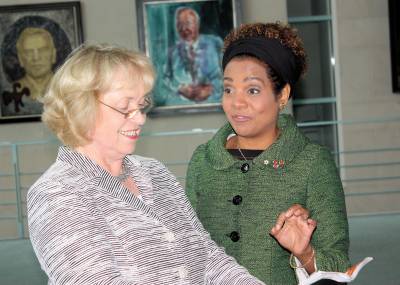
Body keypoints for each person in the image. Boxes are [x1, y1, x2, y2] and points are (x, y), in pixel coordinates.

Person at [27, 44, 317, 285]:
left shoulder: (154, 173)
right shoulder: (57, 194)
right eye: (125, 107)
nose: (139, 118)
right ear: (82, 107)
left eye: (141, 105)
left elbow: (206, 257)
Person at [186, 22, 351, 284]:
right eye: (228, 89)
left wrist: (304, 252)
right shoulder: (203, 161)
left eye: (252, 90)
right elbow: (187, 251)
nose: (236, 102)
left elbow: (339, 265)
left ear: (282, 95)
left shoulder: (312, 162)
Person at [160, 7, 223, 106]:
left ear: (197, 24)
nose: (183, 29)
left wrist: (211, 89)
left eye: (188, 23)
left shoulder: (215, 43)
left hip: (214, 102)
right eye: (179, 25)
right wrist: (180, 88)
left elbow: (231, 74)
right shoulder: (172, 52)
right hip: (182, 105)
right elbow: (165, 79)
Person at [15, 27, 57, 101]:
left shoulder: (65, 87)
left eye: (42, 50)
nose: (36, 58)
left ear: (53, 55)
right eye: (29, 52)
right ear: (20, 58)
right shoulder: (12, 89)